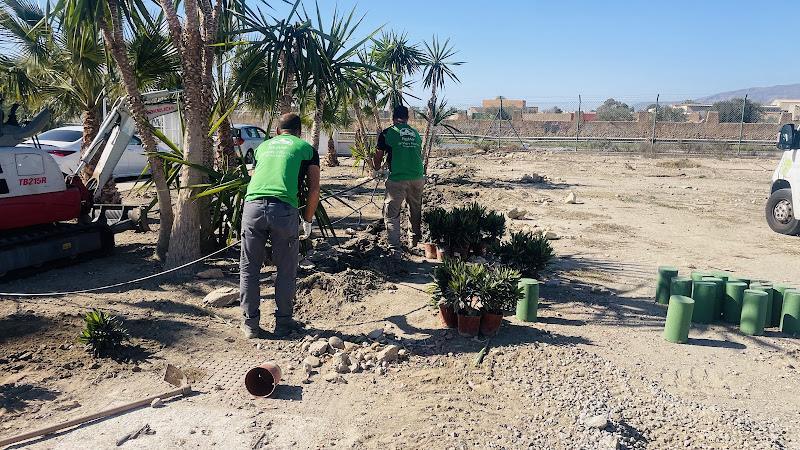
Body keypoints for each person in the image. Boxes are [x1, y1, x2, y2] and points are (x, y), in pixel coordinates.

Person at [239, 113, 320, 338]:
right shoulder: (306, 149)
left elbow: (255, 176)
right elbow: (314, 189)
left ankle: (250, 325)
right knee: (285, 270)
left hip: (253, 208)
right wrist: (307, 220)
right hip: (283, 210)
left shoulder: (262, 148)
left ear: (277, 131)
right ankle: (283, 324)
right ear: (299, 132)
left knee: (249, 269)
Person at [373, 105, 424, 258]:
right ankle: (414, 242)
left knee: (391, 213)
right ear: (407, 119)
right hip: (418, 177)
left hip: (398, 179)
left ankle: (395, 250)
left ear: (393, 118)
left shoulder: (387, 133)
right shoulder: (415, 133)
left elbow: (378, 153)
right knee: (414, 209)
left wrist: (377, 169)